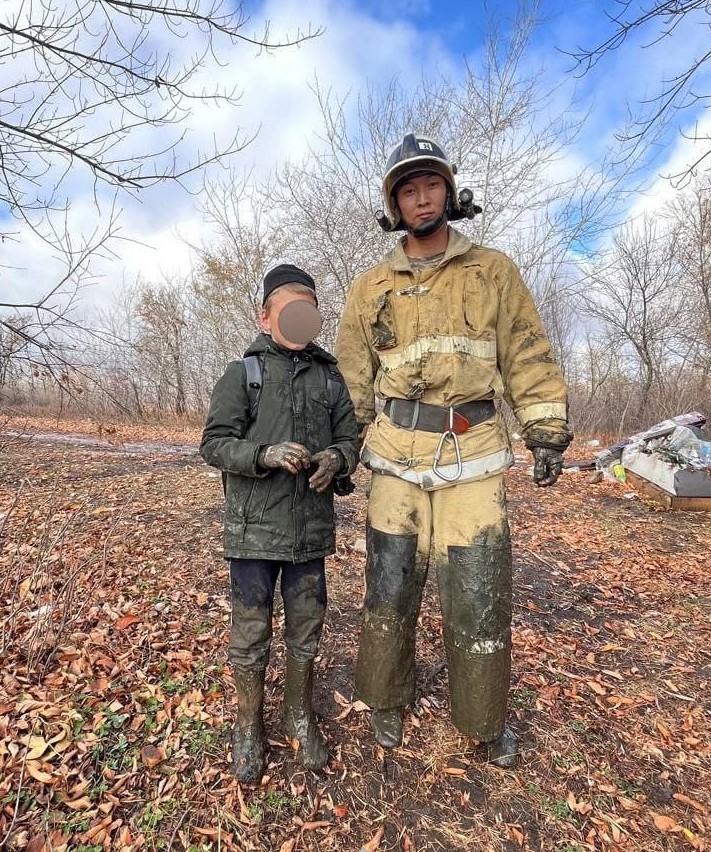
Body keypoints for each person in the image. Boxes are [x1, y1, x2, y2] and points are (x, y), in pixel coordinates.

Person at [334, 134, 572, 768]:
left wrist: (545, 428)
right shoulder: (370, 286)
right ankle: (387, 697)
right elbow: (353, 375)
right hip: (395, 455)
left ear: (449, 192)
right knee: (389, 585)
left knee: (478, 591)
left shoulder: (492, 271)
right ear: (394, 204)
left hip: (473, 452)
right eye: (409, 190)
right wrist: (343, 447)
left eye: (432, 185)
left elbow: (527, 352)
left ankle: (483, 720)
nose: (422, 199)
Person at [200, 263, 359, 781]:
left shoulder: (330, 377)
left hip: (309, 532)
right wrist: (263, 454)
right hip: (252, 532)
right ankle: (249, 724)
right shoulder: (243, 374)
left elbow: (350, 438)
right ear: (265, 318)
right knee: (251, 632)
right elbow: (213, 444)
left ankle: (298, 714)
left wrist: (338, 459)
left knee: (306, 627)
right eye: (288, 310)